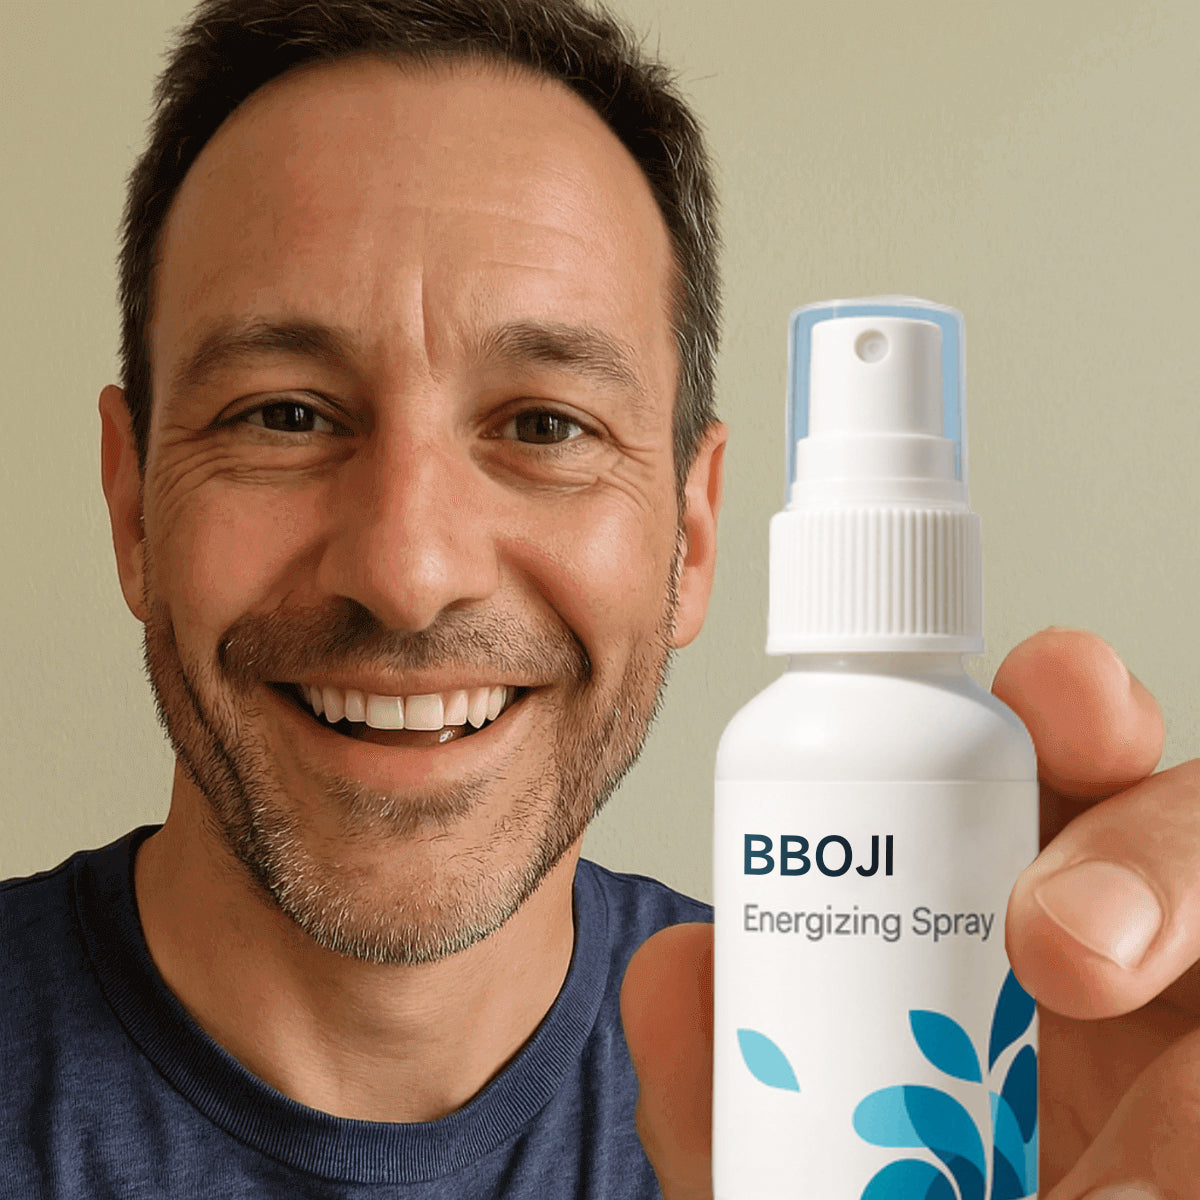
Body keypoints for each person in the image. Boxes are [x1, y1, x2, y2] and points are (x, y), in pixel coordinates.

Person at [1, 0, 1197, 1196]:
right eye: (285, 415)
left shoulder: (861, 1117)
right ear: (132, 505)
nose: (410, 574)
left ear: (691, 535)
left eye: (544, 426)